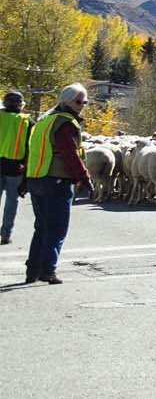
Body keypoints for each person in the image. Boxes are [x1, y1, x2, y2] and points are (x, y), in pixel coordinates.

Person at [20, 84, 91, 285]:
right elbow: (68, 153)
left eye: (84, 102)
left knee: (41, 226)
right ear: (66, 101)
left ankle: (32, 270)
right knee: (57, 227)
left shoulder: (44, 120)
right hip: (57, 180)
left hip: (37, 179)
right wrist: (83, 176)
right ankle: (48, 269)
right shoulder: (65, 123)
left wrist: (26, 178)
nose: (82, 106)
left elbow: (32, 150)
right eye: (79, 102)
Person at [0, 90, 28, 245]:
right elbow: (31, 148)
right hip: (16, 168)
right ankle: (6, 234)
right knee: (12, 201)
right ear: (21, 105)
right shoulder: (27, 121)